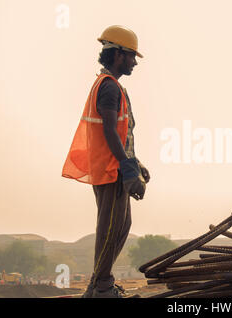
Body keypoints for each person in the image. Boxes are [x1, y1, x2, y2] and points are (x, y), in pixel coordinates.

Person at [62, 25, 150, 298]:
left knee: (121, 226)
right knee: (110, 229)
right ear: (118, 55)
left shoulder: (111, 86)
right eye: (131, 56)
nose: (135, 62)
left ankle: (98, 286)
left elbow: (121, 134)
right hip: (110, 170)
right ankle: (101, 287)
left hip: (115, 166)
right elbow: (110, 131)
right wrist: (127, 168)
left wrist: (136, 162)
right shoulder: (109, 88)